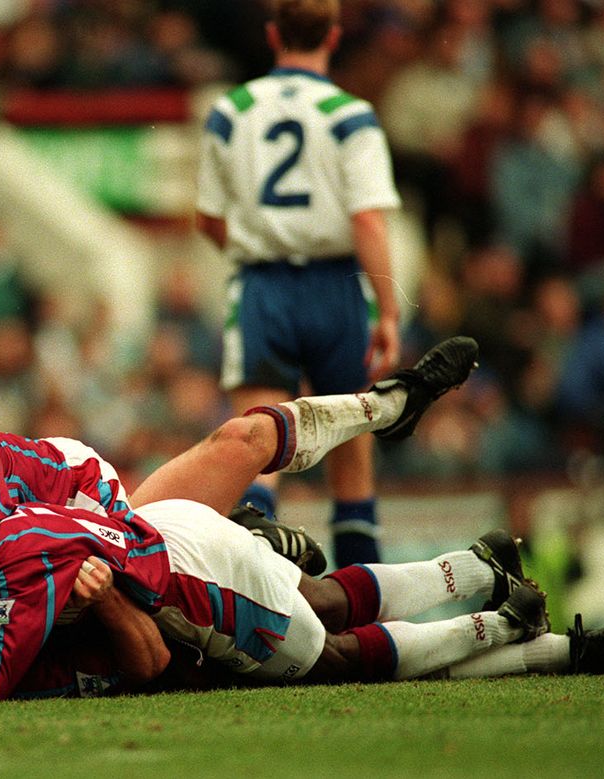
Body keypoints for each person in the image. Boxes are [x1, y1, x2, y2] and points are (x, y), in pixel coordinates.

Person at [0, 337, 479, 707]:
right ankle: (260, 542)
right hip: (52, 554)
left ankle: (389, 405)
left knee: (236, 445)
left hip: (93, 508)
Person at [0, 499, 604, 707]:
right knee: (319, 601)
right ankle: (481, 570)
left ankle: (504, 619)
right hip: (161, 524)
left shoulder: (4, 589)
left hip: (183, 577)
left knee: (321, 659)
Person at [195, 0, 403, 567]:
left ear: (272, 34)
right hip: (336, 289)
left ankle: (264, 609)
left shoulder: (231, 110)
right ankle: (364, 605)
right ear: (333, 37)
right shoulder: (351, 114)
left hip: (264, 289)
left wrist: (255, 249)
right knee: (351, 451)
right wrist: (388, 311)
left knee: (258, 448)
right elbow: (367, 220)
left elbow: (209, 220)